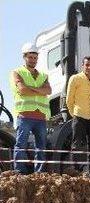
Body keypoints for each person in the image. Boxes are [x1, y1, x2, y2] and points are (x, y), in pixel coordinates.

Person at [11, 42, 52, 174]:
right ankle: (20, 171)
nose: (33, 60)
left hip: (40, 116)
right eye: (30, 57)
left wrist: (32, 89)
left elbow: (48, 90)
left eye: (35, 57)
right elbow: (22, 90)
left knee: (41, 147)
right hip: (25, 115)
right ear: (24, 57)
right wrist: (40, 90)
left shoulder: (43, 75)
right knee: (21, 144)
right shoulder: (17, 72)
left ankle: (39, 173)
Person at [66, 56, 90, 176]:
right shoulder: (75, 78)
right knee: (77, 144)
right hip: (79, 116)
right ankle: (76, 170)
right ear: (82, 66)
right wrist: (74, 114)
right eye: (87, 65)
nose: (89, 67)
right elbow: (69, 100)